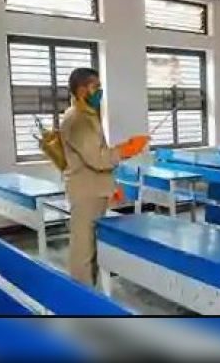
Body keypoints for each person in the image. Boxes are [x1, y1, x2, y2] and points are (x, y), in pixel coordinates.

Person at [60, 68, 149, 287]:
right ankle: (81, 298)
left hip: (93, 189)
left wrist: (112, 184)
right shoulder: (78, 120)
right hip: (86, 193)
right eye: (96, 87)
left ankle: (88, 291)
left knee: (90, 245)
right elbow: (98, 159)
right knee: (83, 249)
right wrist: (126, 149)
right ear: (82, 90)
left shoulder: (87, 116)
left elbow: (98, 154)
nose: (100, 92)